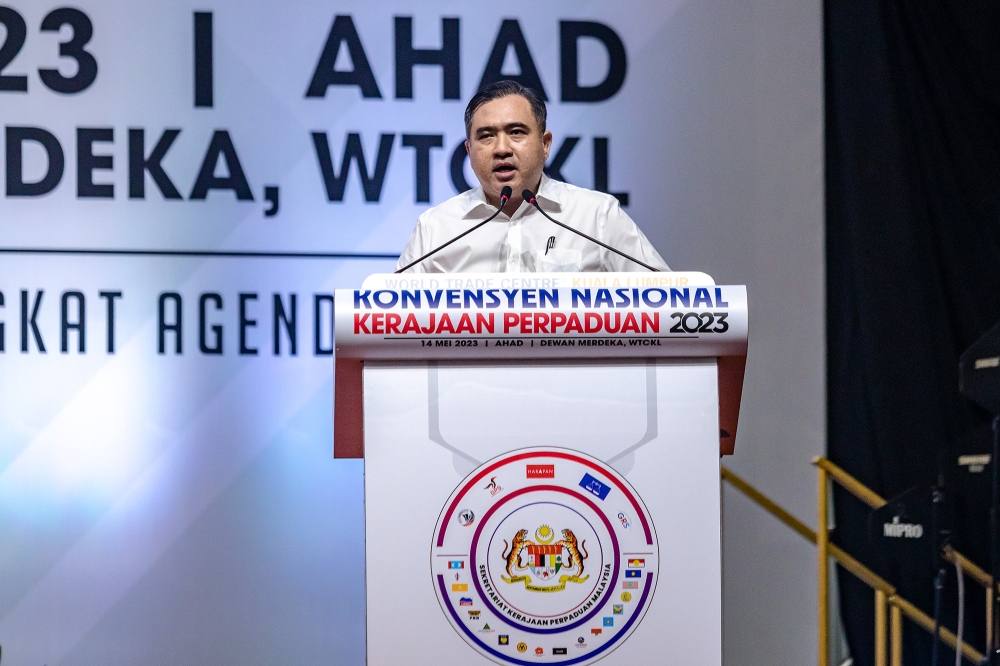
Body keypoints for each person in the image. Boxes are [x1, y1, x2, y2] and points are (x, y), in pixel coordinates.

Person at [396, 80, 669, 273]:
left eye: (516, 132)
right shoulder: (436, 228)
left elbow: (673, 303)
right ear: (469, 150)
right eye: (486, 136)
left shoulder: (596, 216)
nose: (502, 149)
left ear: (545, 144)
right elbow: (383, 320)